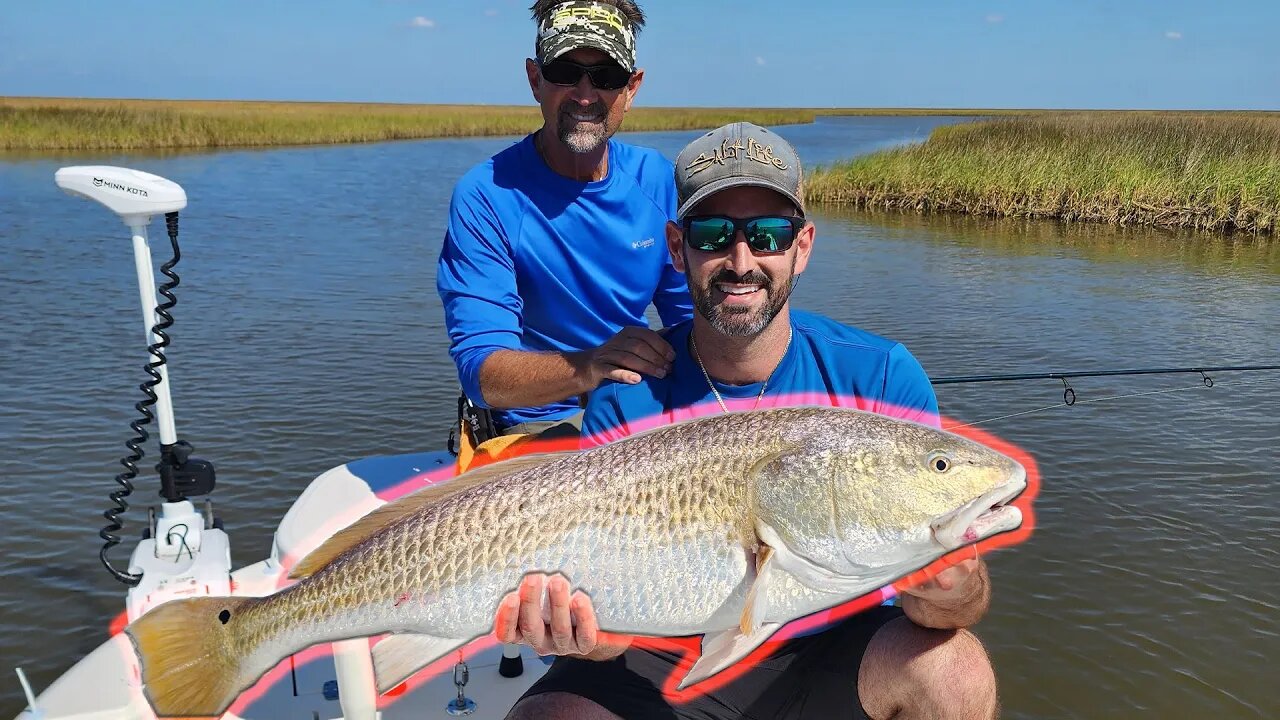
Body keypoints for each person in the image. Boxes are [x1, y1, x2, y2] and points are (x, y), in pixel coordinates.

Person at [498, 123, 1000, 720]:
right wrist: (594, 634)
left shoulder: (882, 378)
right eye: (713, 234)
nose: (741, 261)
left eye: (767, 234)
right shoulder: (627, 392)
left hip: (835, 641)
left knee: (956, 673)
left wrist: (955, 587)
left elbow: (950, 611)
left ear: (802, 246)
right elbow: (608, 601)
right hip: (662, 651)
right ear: (677, 247)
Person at [437, 0, 692, 447]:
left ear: (631, 89)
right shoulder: (487, 196)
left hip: (636, 411)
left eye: (606, 77)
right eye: (565, 71)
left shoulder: (659, 182)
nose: (584, 94)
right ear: (535, 79)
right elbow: (484, 374)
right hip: (533, 427)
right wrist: (591, 366)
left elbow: (692, 320)